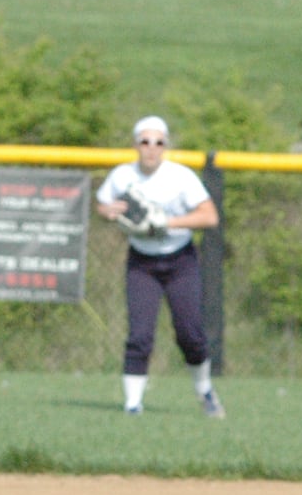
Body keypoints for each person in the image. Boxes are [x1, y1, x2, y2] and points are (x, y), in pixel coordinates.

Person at [95, 115, 225, 418]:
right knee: (139, 334)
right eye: (145, 141)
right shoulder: (122, 175)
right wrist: (109, 211)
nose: (151, 148)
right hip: (142, 261)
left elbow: (209, 217)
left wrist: (166, 223)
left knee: (190, 334)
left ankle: (204, 391)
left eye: (158, 142)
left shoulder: (179, 177)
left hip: (180, 259)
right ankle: (132, 407)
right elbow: (103, 205)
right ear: (135, 145)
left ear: (165, 146)